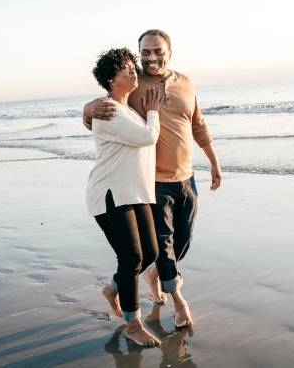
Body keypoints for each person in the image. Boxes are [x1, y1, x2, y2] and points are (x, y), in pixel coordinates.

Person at [83, 29, 222, 328]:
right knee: (163, 246)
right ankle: (179, 302)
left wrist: (214, 162)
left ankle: (130, 281)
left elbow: (198, 124)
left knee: (181, 243)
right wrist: (87, 109)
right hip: (152, 184)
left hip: (186, 178)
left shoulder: (185, 83)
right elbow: (108, 112)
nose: (151, 57)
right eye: (145, 52)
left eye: (157, 51)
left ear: (169, 52)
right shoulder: (135, 85)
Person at [86, 47, 164, 347]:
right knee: (131, 257)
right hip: (110, 195)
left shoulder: (126, 108)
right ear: (109, 78)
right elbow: (147, 136)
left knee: (150, 253)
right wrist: (154, 110)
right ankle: (133, 324)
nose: (133, 70)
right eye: (125, 68)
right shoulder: (108, 109)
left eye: (133, 65)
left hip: (134, 193)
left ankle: (114, 288)